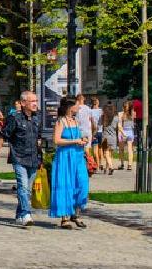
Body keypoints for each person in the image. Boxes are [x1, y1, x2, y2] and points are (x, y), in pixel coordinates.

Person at [1, 90, 42, 226]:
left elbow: (39, 138)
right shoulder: (15, 118)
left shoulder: (37, 118)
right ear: (23, 103)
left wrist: (41, 156)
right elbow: (4, 134)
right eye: (32, 101)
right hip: (18, 157)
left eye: (36, 101)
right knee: (23, 188)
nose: (35, 104)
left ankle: (19, 215)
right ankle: (26, 214)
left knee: (27, 190)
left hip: (33, 158)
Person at [50, 96, 91, 229]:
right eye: (77, 105)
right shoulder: (61, 121)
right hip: (65, 157)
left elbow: (77, 137)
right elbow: (56, 140)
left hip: (78, 156)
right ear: (70, 107)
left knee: (82, 184)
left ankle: (76, 213)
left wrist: (82, 139)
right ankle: (65, 217)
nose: (79, 107)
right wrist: (75, 141)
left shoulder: (75, 121)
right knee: (66, 184)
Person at [99, 101, 119, 175]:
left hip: (105, 137)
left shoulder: (103, 117)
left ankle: (111, 167)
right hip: (113, 137)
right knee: (110, 154)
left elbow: (100, 125)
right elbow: (117, 127)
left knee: (106, 153)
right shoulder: (116, 117)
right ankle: (107, 168)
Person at [75, 94, 94, 164]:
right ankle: (90, 164)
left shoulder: (76, 108)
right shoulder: (88, 108)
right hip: (88, 131)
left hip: (79, 131)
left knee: (78, 149)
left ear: (77, 100)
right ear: (84, 99)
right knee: (87, 149)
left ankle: (82, 163)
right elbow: (91, 120)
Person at [119, 103, 136, 171]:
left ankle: (125, 164)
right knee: (127, 149)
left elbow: (120, 125)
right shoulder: (132, 114)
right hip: (128, 132)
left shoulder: (121, 114)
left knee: (124, 149)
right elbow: (133, 124)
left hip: (124, 132)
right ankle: (127, 164)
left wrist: (122, 133)